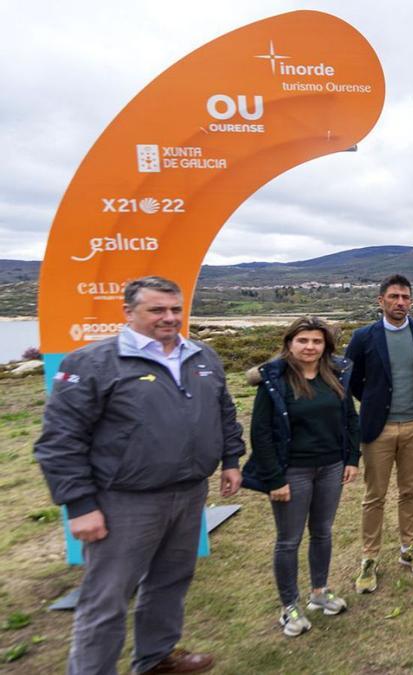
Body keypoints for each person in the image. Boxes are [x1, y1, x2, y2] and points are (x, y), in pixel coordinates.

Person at [34, 276, 244, 675]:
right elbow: (60, 439)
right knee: (107, 597)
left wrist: (231, 459)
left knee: (171, 579)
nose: (169, 318)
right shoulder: (93, 362)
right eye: (157, 310)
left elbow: (224, 412)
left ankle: (156, 658)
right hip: (124, 501)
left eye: (175, 309)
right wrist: (79, 504)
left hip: (188, 491)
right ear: (128, 312)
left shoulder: (201, 355)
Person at [243, 316, 361, 636]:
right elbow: (262, 433)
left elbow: (350, 418)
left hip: (331, 467)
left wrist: (351, 458)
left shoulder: (335, 375)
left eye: (317, 341)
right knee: (289, 539)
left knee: (322, 531)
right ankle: (289, 606)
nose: (310, 347)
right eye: (303, 341)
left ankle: (319, 592)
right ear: (289, 344)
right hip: (292, 471)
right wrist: (274, 479)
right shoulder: (275, 381)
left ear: (326, 346)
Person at [345, 274, 413, 592]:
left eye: (405, 297)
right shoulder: (363, 337)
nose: (400, 302)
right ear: (381, 300)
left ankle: (408, 547)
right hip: (378, 428)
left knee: (409, 491)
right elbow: (353, 380)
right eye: (394, 297)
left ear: (411, 301)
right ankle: (369, 557)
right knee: (374, 496)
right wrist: (375, 403)